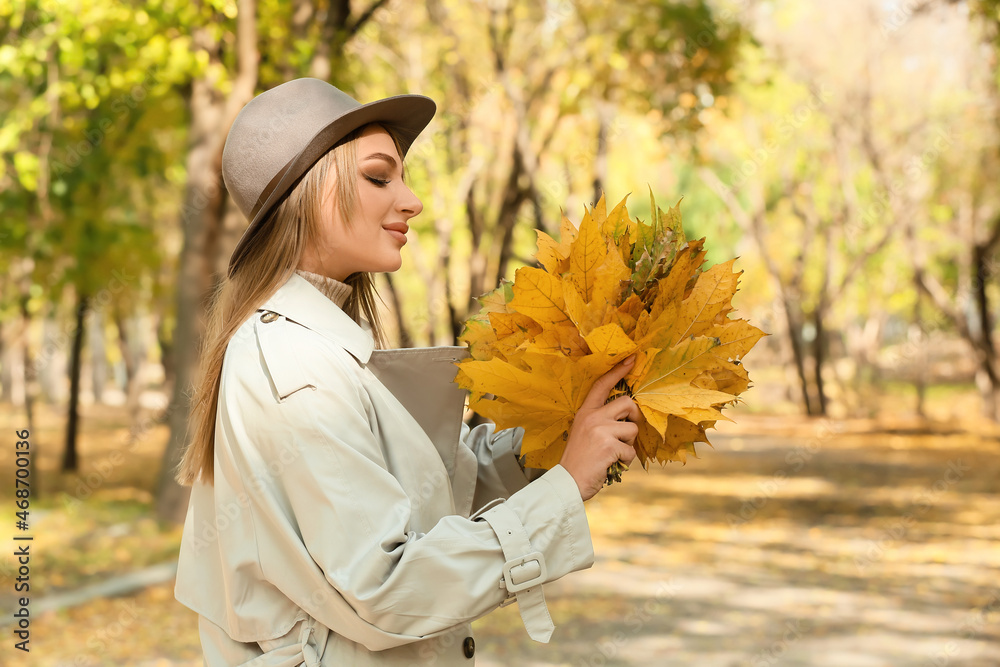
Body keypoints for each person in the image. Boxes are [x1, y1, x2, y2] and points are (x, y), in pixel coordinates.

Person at [173, 77, 641, 666]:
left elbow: (437, 490)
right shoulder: (296, 365)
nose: (412, 200)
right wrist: (566, 486)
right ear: (310, 191)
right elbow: (387, 588)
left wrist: (556, 441)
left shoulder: (316, 346)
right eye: (379, 177)